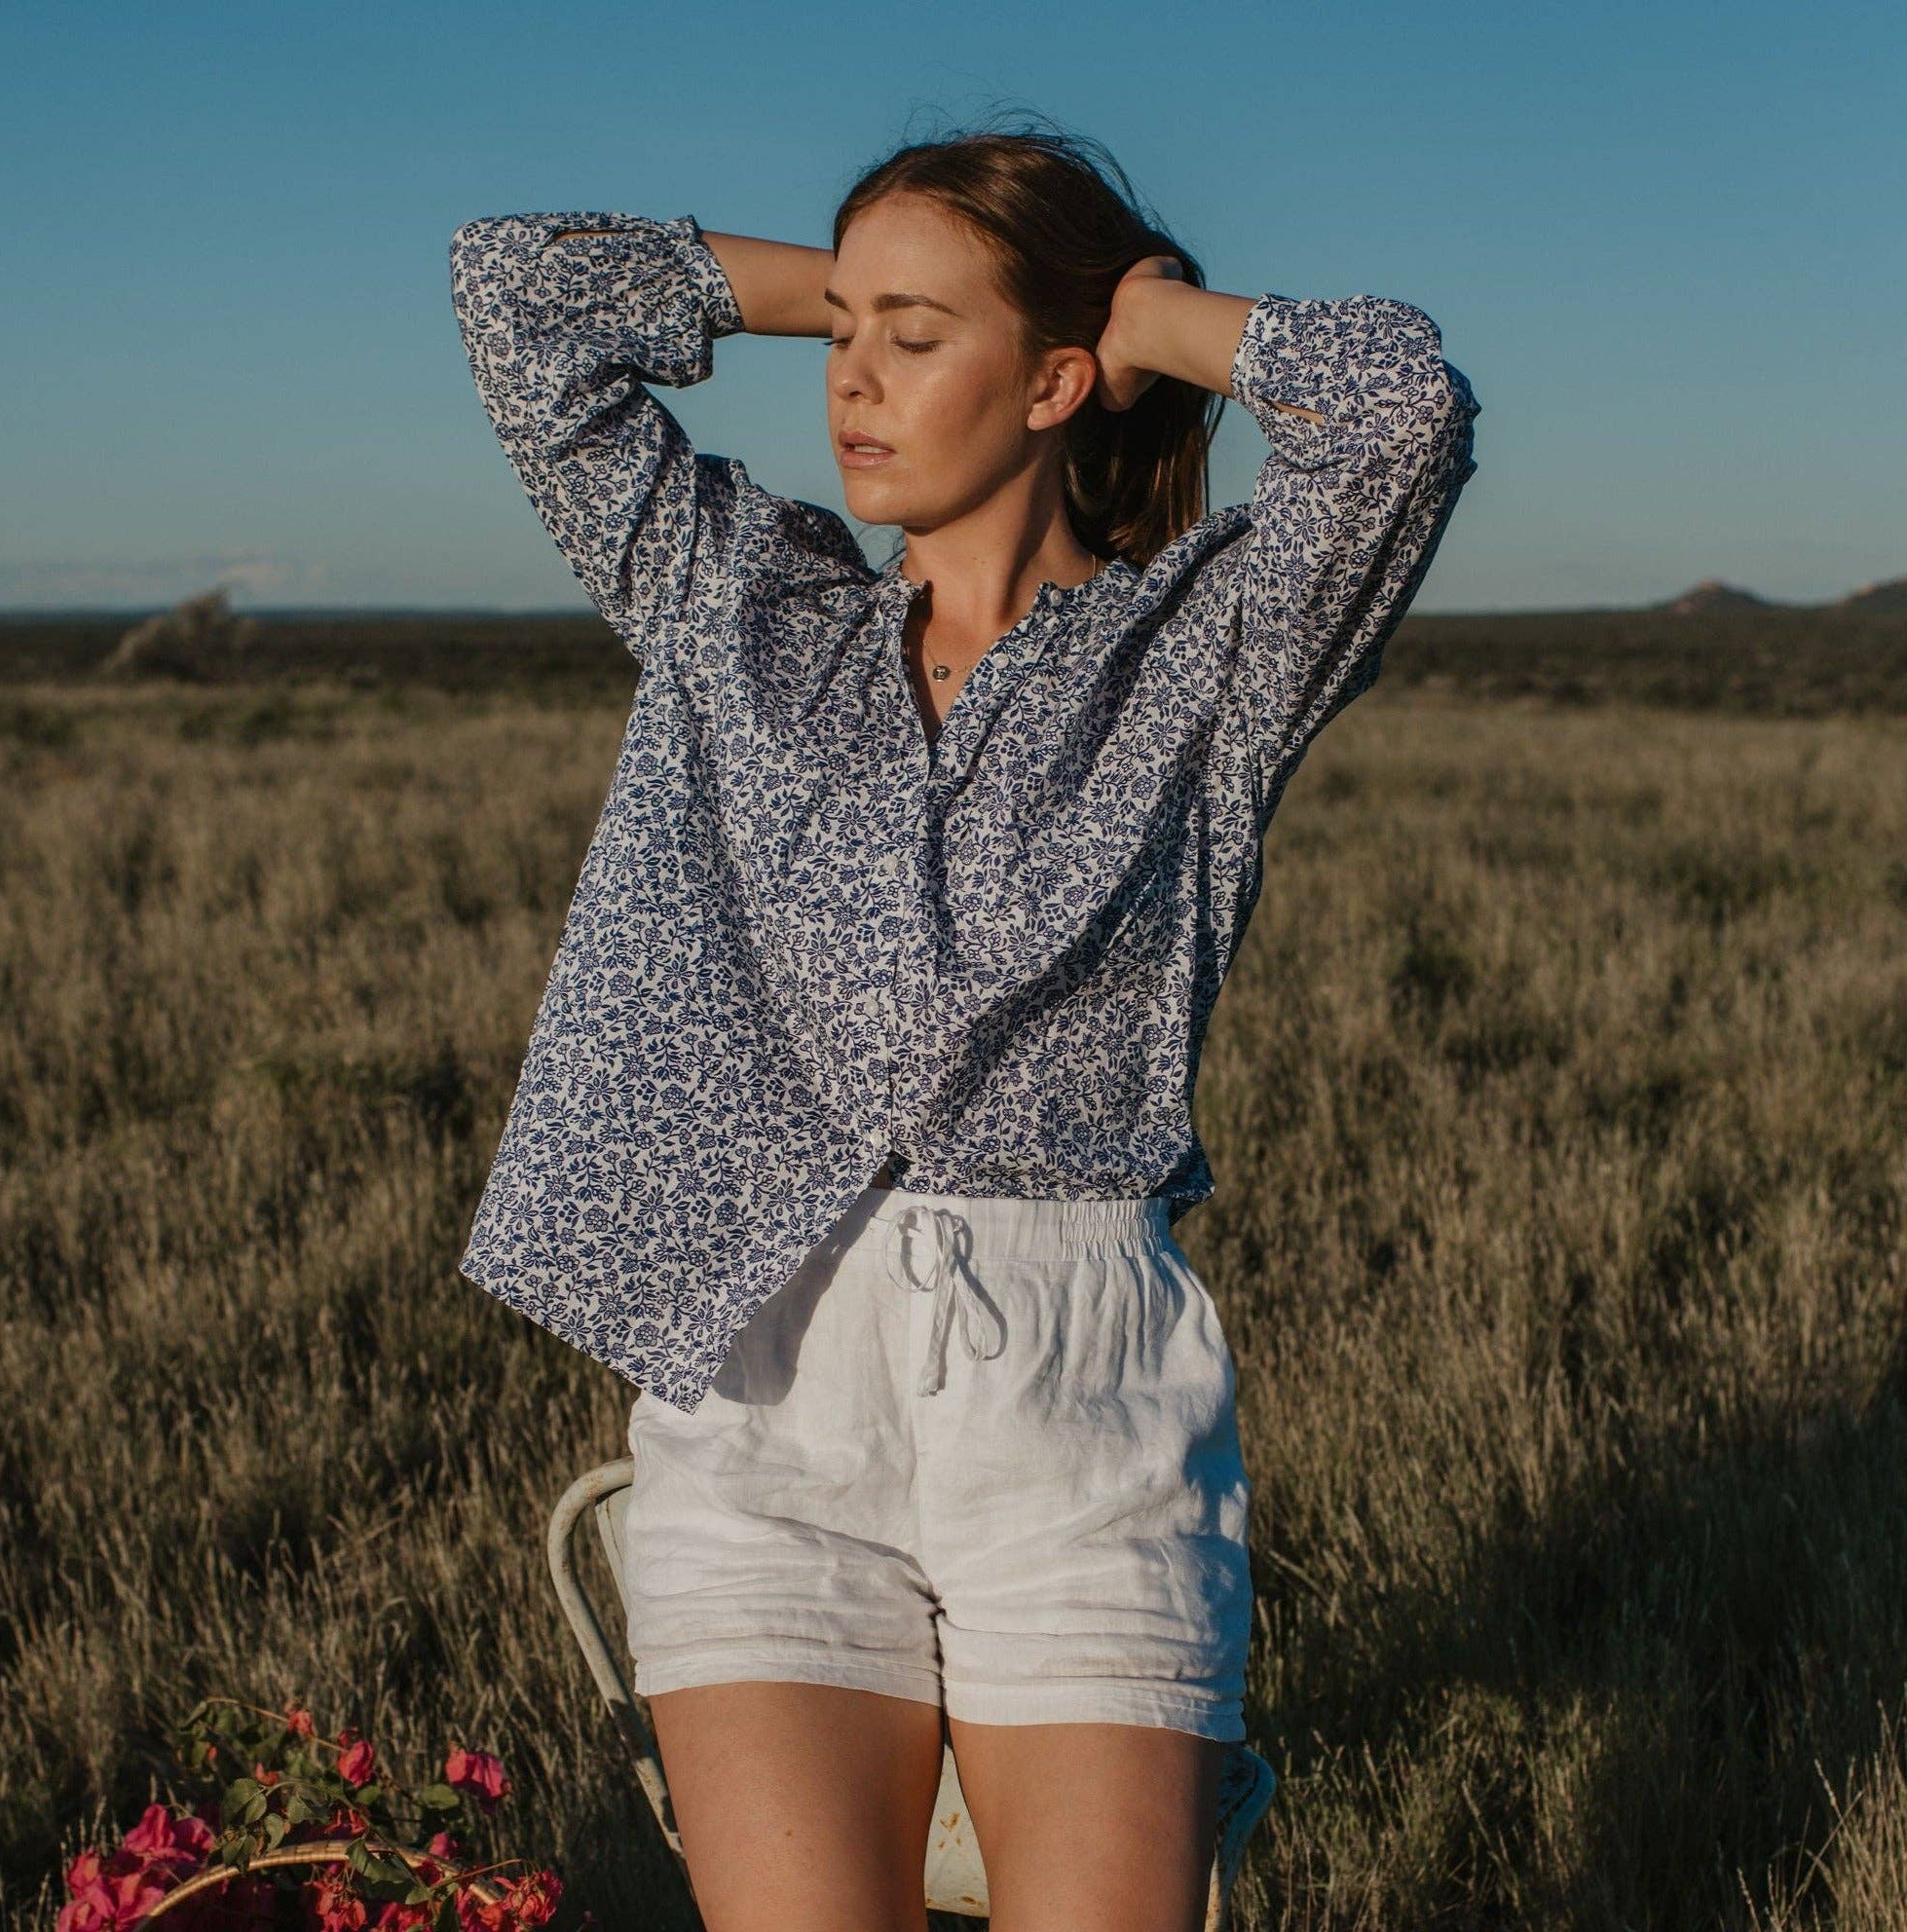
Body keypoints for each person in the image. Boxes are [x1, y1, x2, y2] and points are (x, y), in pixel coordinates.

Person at [449, 118, 1478, 1932]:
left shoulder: (1206, 655)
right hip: (766, 1404)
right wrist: (865, 287)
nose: (852, 381)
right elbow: (518, 291)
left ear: (1058, 381)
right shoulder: (740, 603)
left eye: (916, 341)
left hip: (1077, 1408)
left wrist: (1140, 317)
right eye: (843, 333)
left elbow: (1403, 413)